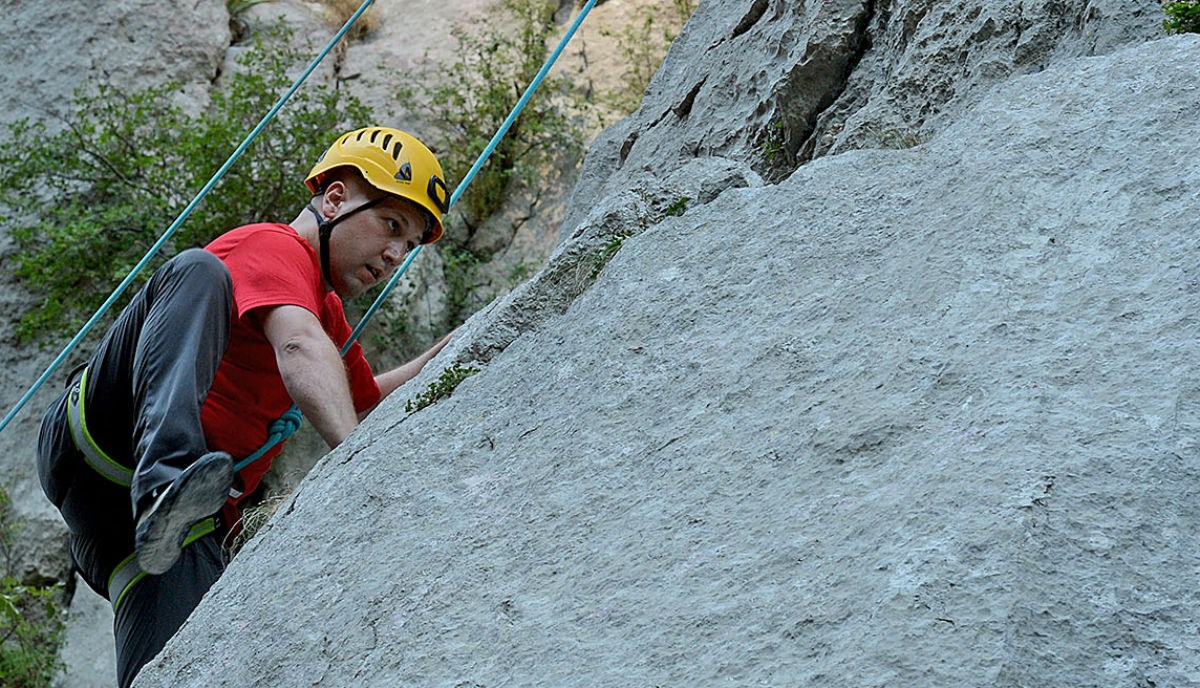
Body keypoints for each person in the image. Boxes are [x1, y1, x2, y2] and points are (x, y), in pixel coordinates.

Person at [35, 126, 453, 688]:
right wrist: (363, 470)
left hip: (143, 529)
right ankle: (166, 476)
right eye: (391, 225)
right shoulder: (273, 248)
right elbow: (300, 348)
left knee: (187, 665)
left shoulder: (328, 318)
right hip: (104, 437)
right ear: (334, 199)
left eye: (408, 244)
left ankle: (169, 495)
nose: (395, 253)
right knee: (197, 269)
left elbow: (365, 403)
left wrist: (459, 348)